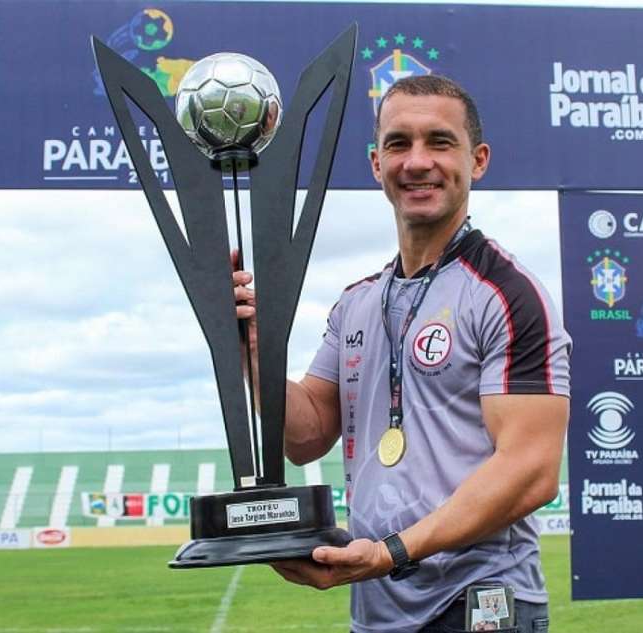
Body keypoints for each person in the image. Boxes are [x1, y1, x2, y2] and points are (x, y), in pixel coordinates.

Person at [232, 75, 571, 633]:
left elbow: (531, 471)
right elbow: (306, 434)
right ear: (375, 163)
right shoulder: (357, 302)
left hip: (479, 604)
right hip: (379, 609)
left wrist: (390, 551)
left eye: (440, 142)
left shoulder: (507, 294)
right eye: (398, 143)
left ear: (478, 160)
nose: (417, 162)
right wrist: (253, 352)